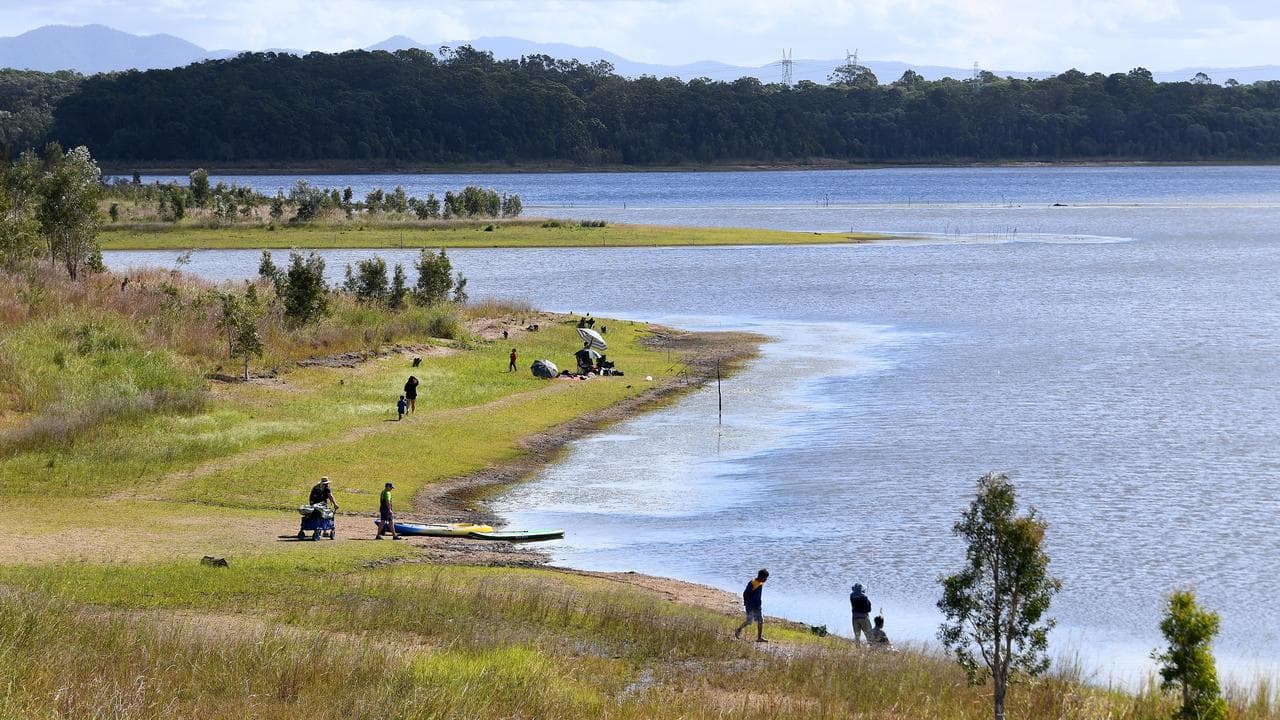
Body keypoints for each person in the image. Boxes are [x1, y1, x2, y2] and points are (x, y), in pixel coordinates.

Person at [734, 569, 770, 642]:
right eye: (765, 578)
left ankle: (759, 638)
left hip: (757, 606)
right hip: (750, 606)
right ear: (761, 577)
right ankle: (738, 629)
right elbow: (745, 593)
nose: (766, 579)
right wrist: (746, 602)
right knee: (749, 621)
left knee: (760, 621)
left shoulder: (760, 583)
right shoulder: (753, 583)